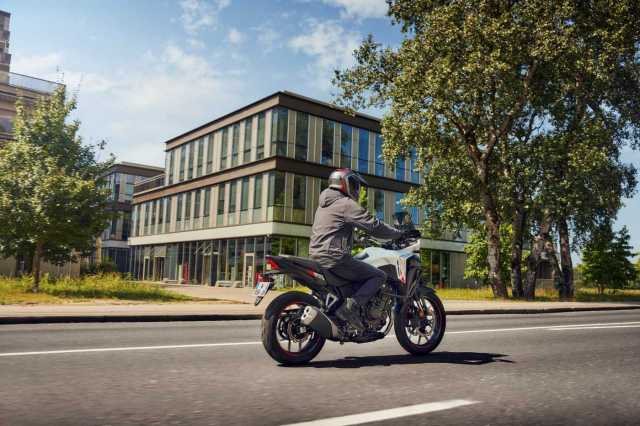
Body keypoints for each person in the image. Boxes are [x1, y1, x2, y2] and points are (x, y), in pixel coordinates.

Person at [309, 169, 405, 330]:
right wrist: (397, 234)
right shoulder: (345, 204)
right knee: (379, 275)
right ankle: (350, 308)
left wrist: (357, 240)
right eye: (355, 185)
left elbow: (331, 231)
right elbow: (373, 225)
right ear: (345, 183)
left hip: (317, 256)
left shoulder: (324, 205)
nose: (357, 189)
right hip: (335, 258)